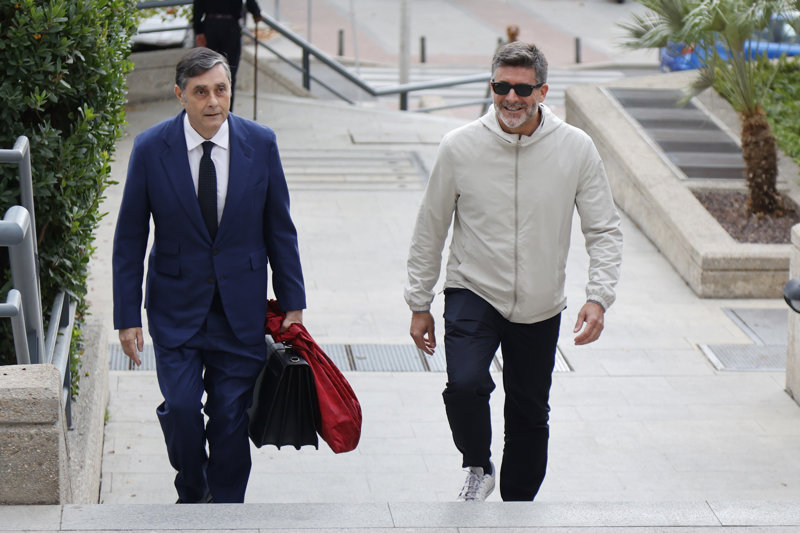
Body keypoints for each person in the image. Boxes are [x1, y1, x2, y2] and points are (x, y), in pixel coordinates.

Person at [405, 41, 623, 502]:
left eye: (522, 89)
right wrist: (419, 302)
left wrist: (598, 296)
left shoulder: (576, 148)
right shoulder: (459, 146)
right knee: (464, 385)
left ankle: (517, 507)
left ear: (543, 91)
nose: (510, 98)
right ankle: (477, 464)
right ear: (491, 87)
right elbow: (430, 227)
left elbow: (604, 228)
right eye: (501, 86)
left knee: (528, 413)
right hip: (473, 289)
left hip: (541, 302)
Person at [112, 47, 306, 504]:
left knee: (229, 416)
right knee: (182, 409)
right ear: (180, 95)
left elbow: (280, 228)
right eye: (201, 92)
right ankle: (193, 489)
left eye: (221, 89)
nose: (213, 101)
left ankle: (227, 510)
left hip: (240, 310)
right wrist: (127, 316)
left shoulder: (261, 143)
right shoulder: (150, 148)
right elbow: (130, 237)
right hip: (175, 308)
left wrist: (293, 302)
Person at [193, 0, 265, 110]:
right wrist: (256, 13)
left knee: (208, 70)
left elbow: (198, 5)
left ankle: (209, 107)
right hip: (230, 27)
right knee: (229, 72)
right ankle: (227, 110)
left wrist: (198, 31)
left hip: (210, 26)